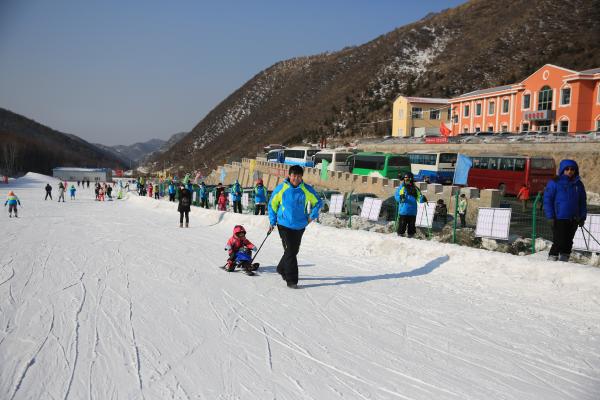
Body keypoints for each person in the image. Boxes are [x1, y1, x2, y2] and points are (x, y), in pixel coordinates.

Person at [268, 165, 322, 289]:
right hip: (284, 224)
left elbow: (318, 203)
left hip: (300, 225)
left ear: (301, 177)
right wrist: (272, 221)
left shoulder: (306, 189)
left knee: (293, 251)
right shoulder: (281, 188)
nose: (296, 179)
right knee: (291, 250)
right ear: (289, 175)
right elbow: (272, 205)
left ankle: (281, 268)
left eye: (299, 176)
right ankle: (291, 280)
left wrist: (311, 216)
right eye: (294, 176)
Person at [543, 159, 587, 262]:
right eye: (567, 169)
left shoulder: (578, 184)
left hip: (574, 218)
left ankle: (564, 260)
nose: (569, 171)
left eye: (572, 169)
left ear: (575, 170)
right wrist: (550, 216)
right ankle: (552, 259)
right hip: (559, 217)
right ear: (562, 170)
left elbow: (582, 202)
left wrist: (582, 216)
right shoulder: (554, 183)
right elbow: (548, 200)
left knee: (568, 241)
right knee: (559, 241)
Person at [394, 172, 425, 238]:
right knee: (401, 227)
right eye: (405, 178)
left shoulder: (415, 189)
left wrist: (423, 199)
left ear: (411, 179)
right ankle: (400, 237)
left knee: (411, 228)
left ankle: (411, 239)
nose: (406, 180)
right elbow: (396, 196)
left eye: (407, 178)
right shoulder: (401, 188)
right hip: (403, 211)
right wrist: (400, 198)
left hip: (412, 212)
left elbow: (419, 199)